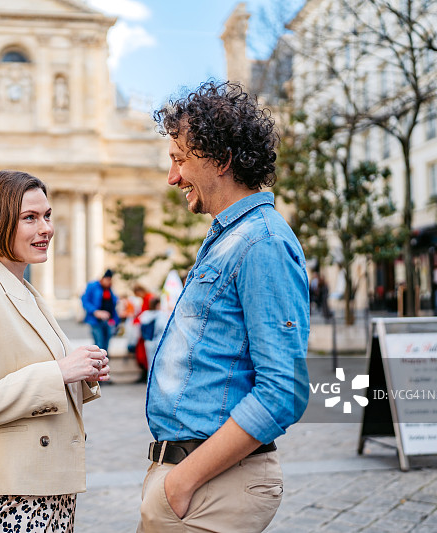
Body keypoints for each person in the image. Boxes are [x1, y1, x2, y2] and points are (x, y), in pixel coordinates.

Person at [138, 81, 310, 533]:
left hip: (209, 484)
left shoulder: (262, 242)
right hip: (194, 481)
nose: (172, 177)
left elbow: (284, 391)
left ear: (222, 160)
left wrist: (181, 481)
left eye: (179, 160)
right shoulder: (231, 237)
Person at [0, 170, 110, 532]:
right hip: (8, 496)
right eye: (29, 218)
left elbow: (35, 374)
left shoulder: (27, 292)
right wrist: (58, 373)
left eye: (47, 215)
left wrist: (82, 373)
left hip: (47, 489)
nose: (45, 228)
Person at [81, 269, 118, 352]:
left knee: (106, 344)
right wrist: (96, 311)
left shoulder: (109, 289)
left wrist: (115, 320)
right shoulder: (92, 286)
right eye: (108, 280)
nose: (109, 282)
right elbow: (85, 301)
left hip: (108, 321)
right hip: (95, 320)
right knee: (99, 344)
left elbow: (113, 305)